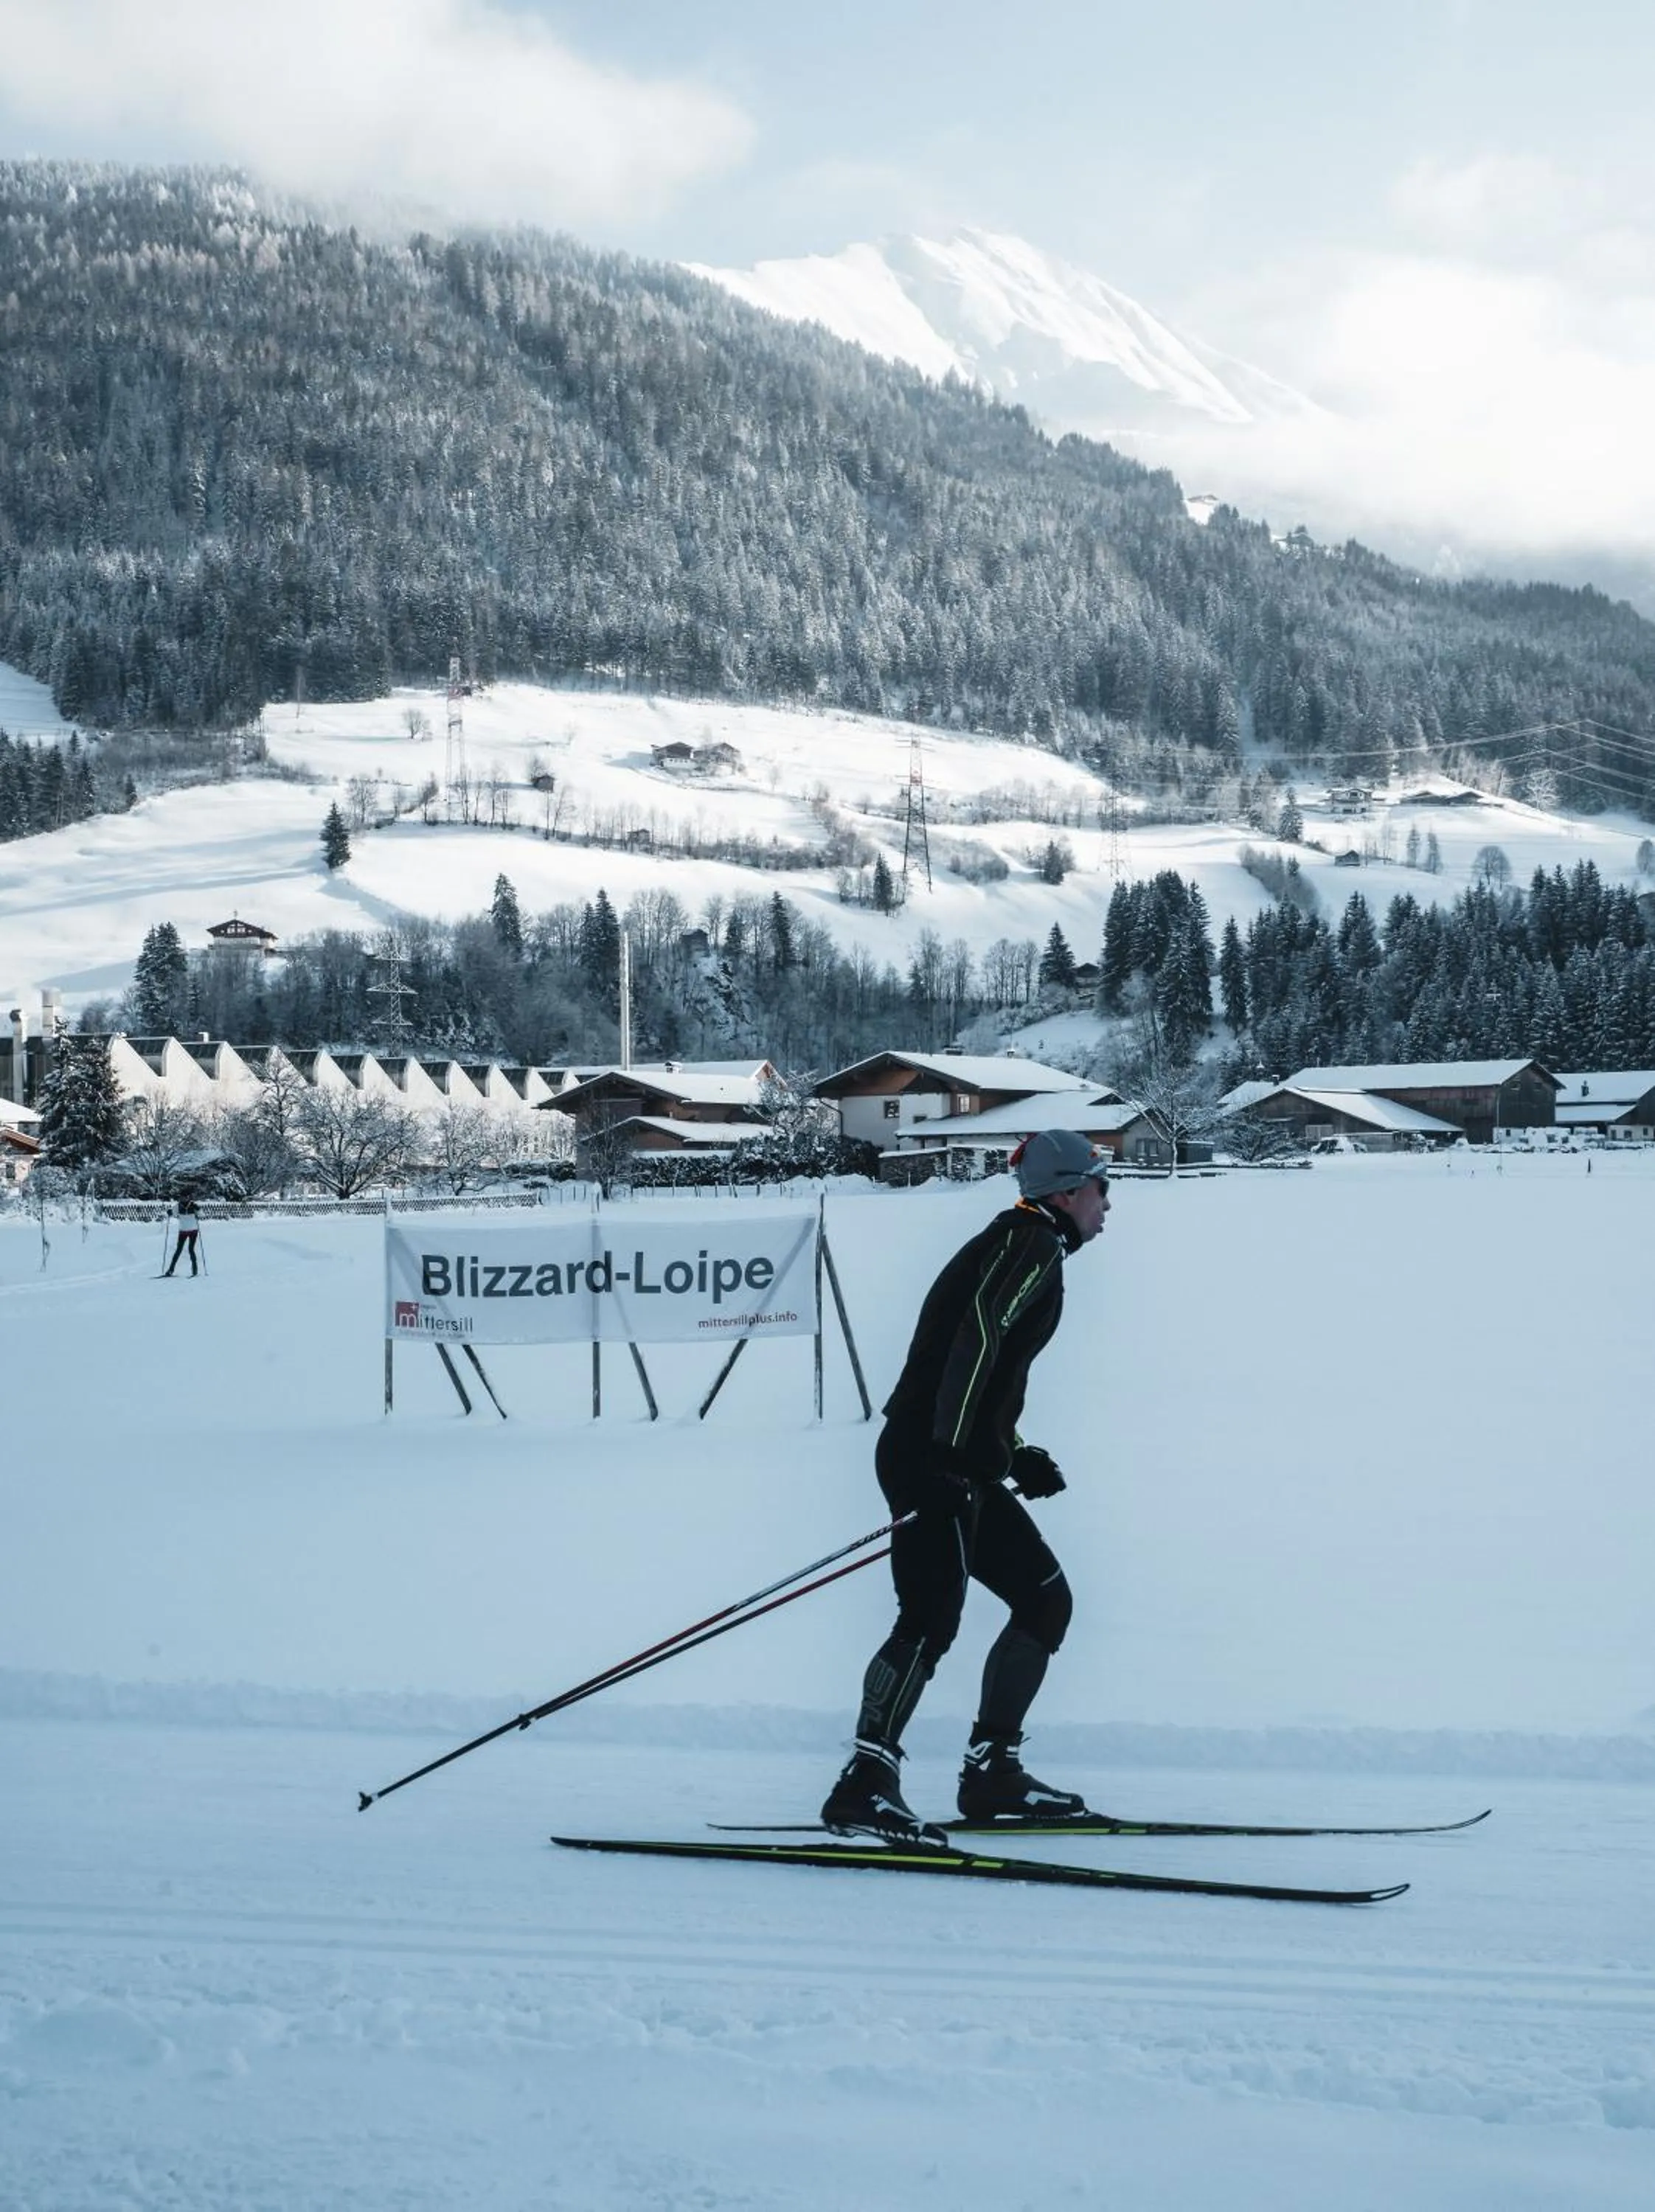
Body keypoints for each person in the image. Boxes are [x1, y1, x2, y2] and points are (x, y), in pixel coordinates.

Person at [822, 1128, 1111, 1844]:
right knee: (928, 1618)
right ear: (1068, 1192)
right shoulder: (1030, 1242)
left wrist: (1012, 1453)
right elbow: (976, 1340)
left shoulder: (1029, 1244)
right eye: (1103, 1188)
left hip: (953, 1458)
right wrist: (956, 1454)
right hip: (930, 1458)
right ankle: (864, 1781)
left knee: (1045, 1600)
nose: (1109, 1203)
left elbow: (982, 1366)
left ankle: (993, 1773)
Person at [164, 1194, 201, 1277]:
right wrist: (170, 1212)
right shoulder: (178, 1206)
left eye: (185, 1197)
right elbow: (173, 1213)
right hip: (183, 1231)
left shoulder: (193, 1205)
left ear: (188, 1198)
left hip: (193, 1231)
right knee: (178, 1250)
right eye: (182, 1197)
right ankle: (171, 1270)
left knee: (191, 1249)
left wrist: (198, 1210)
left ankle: (195, 1270)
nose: (183, 1199)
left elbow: (201, 1214)